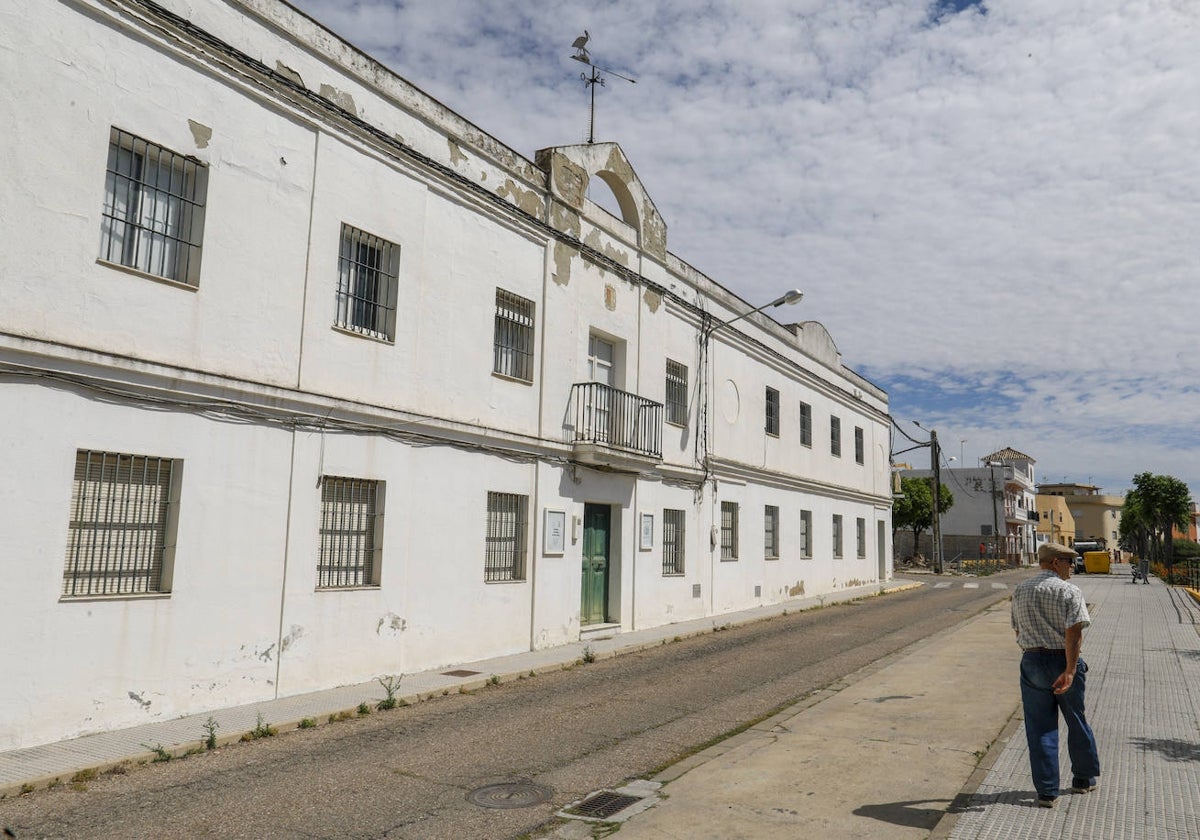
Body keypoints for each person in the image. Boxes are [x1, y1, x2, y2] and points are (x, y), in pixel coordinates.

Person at [1011, 541, 1101, 808]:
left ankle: (1047, 792)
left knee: (1039, 727)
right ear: (1054, 562)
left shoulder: (1020, 590)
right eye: (1069, 561)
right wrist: (1071, 670)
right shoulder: (1069, 591)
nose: (1072, 567)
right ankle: (1083, 779)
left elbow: (1016, 629)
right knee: (1076, 720)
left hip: (1031, 660)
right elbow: (1074, 634)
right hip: (1062, 660)